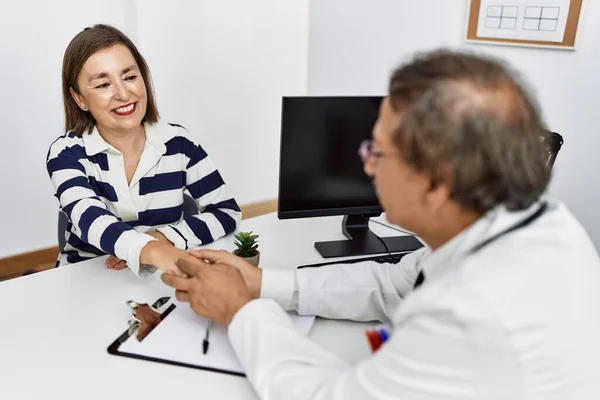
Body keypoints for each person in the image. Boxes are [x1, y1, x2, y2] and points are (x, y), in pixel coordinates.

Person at [162, 49, 600, 399]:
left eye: (378, 151)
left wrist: (240, 310)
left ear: (437, 182)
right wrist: (260, 283)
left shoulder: (474, 314)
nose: (367, 165)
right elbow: (393, 284)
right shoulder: (521, 223)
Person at [47, 24, 241, 277]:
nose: (124, 93)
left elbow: (226, 211)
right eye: (103, 84)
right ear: (79, 98)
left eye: (130, 77)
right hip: (85, 278)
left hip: (155, 277)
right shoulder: (66, 153)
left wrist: (162, 238)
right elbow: (90, 219)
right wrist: (152, 250)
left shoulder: (179, 142)